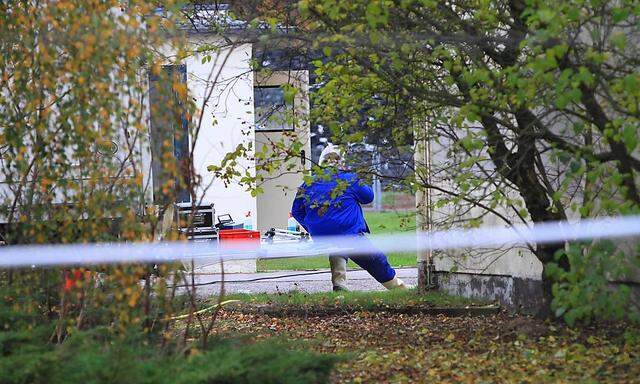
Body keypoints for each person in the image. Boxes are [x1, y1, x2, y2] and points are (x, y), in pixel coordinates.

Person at [291, 144, 407, 291]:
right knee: (375, 258)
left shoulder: (308, 183)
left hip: (321, 235)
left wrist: (312, 226)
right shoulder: (348, 179)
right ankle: (397, 287)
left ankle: (339, 283)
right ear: (342, 162)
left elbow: (296, 211)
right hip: (348, 233)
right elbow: (368, 197)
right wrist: (357, 178)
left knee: (338, 246)